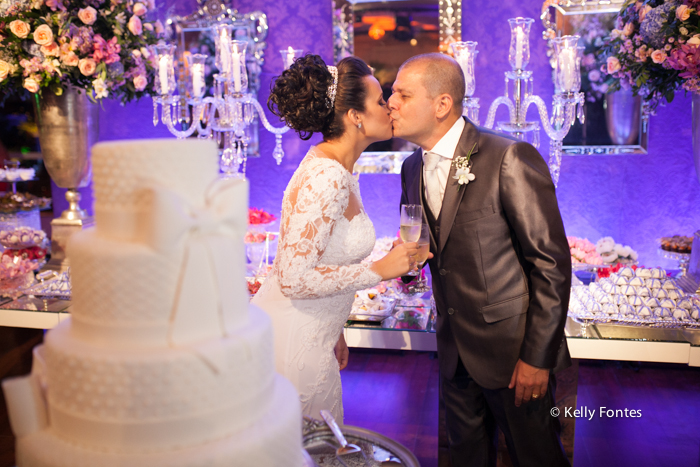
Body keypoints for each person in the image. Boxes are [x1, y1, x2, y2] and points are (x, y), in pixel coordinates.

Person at [389, 53, 572, 467]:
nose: (391, 103)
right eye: (391, 94)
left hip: (513, 356)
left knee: (537, 457)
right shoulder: (410, 168)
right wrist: (407, 268)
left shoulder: (507, 157)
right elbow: (423, 247)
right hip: (453, 350)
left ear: (442, 104)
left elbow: (551, 265)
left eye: (402, 93)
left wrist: (536, 358)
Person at [252, 54, 424, 423]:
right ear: (355, 116)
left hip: (314, 333)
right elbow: (294, 278)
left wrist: (336, 326)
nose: (390, 105)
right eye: (380, 100)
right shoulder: (326, 177)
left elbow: (322, 259)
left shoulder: (336, 169)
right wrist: (379, 270)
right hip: (291, 341)